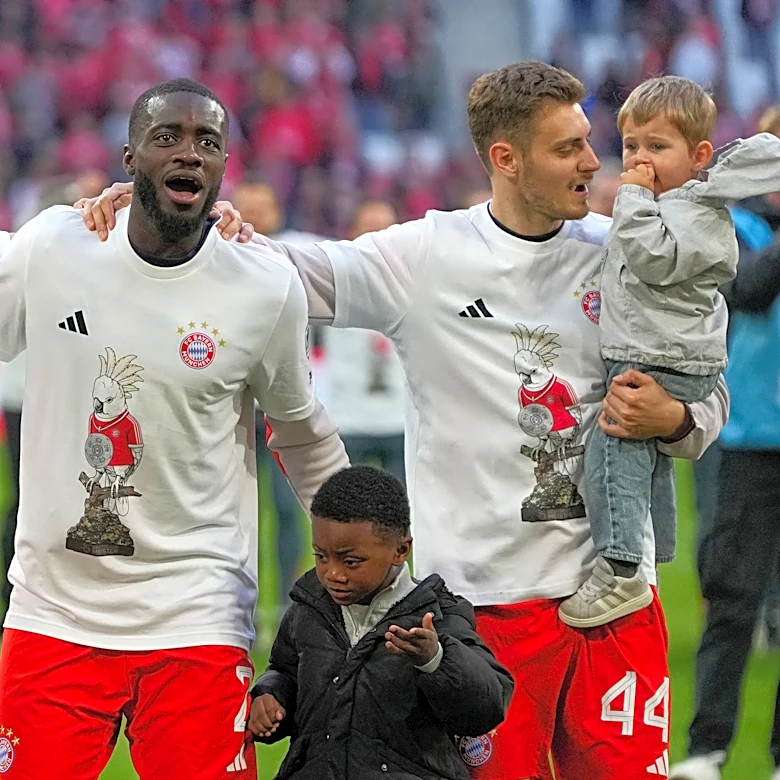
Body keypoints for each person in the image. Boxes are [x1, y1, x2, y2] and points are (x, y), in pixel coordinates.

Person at [84, 62, 729, 779]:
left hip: (613, 607)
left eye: (586, 141)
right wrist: (169, 220)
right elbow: (279, 272)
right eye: (567, 148)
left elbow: (706, 392)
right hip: (481, 617)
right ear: (506, 159)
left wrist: (675, 417)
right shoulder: (427, 255)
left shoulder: (624, 252)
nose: (591, 162)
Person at [0, 78, 347, 780]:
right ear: (130, 157)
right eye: (167, 137)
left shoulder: (263, 284)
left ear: (223, 167)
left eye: (207, 142)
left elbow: (299, 429)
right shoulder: (54, 247)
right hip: (54, 612)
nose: (189, 152)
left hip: (198, 616)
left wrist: (363, 543)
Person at [559, 77, 780, 628]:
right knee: (642, 458)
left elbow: (653, 259)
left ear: (699, 156)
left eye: (657, 147)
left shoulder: (698, 212)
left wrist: (632, 198)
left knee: (613, 448)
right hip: (659, 352)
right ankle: (650, 550)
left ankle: (621, 569)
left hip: (666, 358)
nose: (640, 160)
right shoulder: (678, 205)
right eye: (631, 145)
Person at [248, 465, 513, 779]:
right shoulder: (308, 608)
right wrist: (270, 697)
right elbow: (285, 671)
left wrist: (435, 660)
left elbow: (486, 709)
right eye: (321, 556)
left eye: (350, 561)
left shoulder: (437, 614)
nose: (332, 573)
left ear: (400, 550)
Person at [668, 245, 780, 780]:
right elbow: (748, 290)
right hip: (752, 440)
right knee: (732, 597)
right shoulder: (740, 226)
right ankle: (706, 750)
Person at [323, 199, 407, 483]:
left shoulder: (417, 283)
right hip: (348, 421)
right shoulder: (331, 283)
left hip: (401, 422)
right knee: (349, 508)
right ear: (351, 234)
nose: (378, 238)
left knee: (403, 507)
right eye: (369, 229)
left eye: (385, 229)